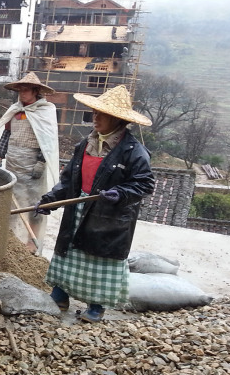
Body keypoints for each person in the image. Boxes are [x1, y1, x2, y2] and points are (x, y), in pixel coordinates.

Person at [35, 85, 154, 322]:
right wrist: (51, 200)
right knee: (69, 255)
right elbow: (69, 180)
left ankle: (96, 305)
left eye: (101, 114)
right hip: (78, 207)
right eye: (94, 113)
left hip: (108, 216)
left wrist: (120, 193)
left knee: (98, 259)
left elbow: (144, 185)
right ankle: (60, 294)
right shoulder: (85, 144)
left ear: (117, 119)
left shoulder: (134, 152)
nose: (95, 118)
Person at [0, 72, 59, 254]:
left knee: (35, 204)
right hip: (13, 162)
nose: (22, 93)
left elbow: (47, 141)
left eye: (26, 90)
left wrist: (41, 162)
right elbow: (6, 135)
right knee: (11, 203)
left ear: (35, 91)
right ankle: (10, 239)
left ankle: (32, 243)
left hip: (32, 164)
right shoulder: (15, 111)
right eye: (20, 90)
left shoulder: (44, 111)